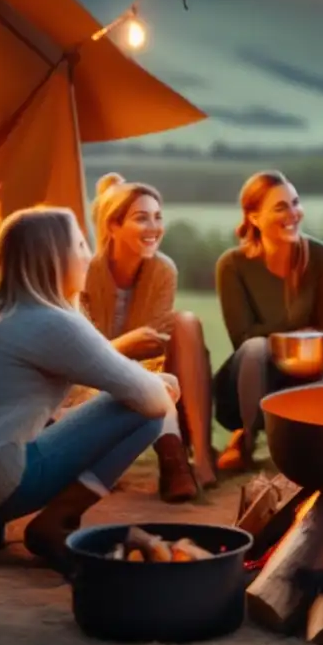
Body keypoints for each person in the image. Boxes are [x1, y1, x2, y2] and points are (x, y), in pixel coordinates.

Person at [0, 207, 175, 573]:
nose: (88, 254)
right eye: (80, 244)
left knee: (6, 425)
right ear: (55, 256)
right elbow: (151, 400)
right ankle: (56, 523)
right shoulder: (48, 320)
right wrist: (164, 385)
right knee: (148, 406)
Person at [80, 173, 215, 503]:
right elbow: (81, 354)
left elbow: (154, 343)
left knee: (184, 324)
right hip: (88, 378)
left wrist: (132, 353)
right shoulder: (85, 271)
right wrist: (124, 347)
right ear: (113, 227)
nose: (154, 227)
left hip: (145, 371)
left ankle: (181, 462)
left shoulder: (163, 270)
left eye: (158, 217)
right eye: (141, 218)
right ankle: (174, 458)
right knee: (145, 379)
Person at [213, 170, 323, 471]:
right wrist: (297, 332)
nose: (293, 213)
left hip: (304, 369)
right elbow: (243, 338)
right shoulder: (232, 265)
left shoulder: (322, 258)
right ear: (254, 217)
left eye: (295, 203)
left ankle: (301, 441)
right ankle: (245, 439)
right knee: (257, 348)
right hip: (248, 376)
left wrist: (298, 338)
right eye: (280, 207)